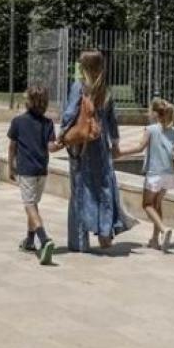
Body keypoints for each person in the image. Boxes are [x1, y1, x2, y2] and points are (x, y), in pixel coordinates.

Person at [59, 50, 133, 254]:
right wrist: (115, 144)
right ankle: (105, 232)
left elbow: (70, 113)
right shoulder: (106, 91)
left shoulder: (79, 87)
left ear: (84, 67)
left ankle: (79, 242)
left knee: (80, 189)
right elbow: (112, 120)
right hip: (101, 146)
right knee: (104, 187)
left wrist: (62, 136)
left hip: (81, 145)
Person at [6, 85, 61, 265]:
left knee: (29, 205)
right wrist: (64, 142)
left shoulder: (18, 122)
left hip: (26, 170)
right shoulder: (48, 124)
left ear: (28, 101)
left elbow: (12, 146)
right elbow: (51, 147)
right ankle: (30, 241)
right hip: (41, 172)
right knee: (34, 205)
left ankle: (44, 240)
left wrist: (10, 167)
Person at [121, 98, 174, 251]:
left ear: (155, 114)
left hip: (154, 174)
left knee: (147, 205)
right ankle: (155, 240)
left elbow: (139, 148)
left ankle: (163, 229)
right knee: (157, 205)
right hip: (169, 174)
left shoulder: (150, 129)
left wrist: (119, 153)